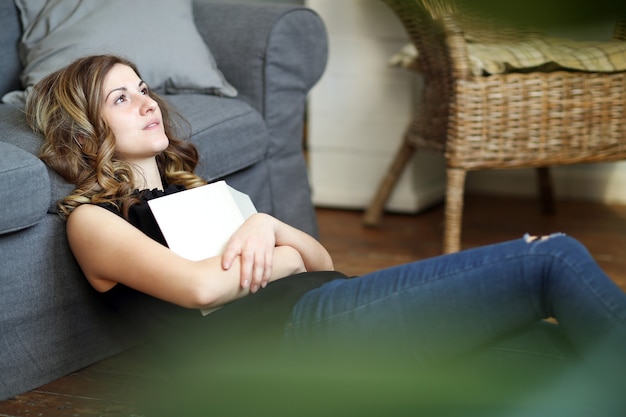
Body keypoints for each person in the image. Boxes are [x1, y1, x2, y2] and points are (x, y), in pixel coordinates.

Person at [26, 55, 626, 415]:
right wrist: (273, 251)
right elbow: (202, 289)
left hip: (334, 307)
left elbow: (319, 257)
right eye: (120, 97)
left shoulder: (200, 194)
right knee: (550, 261)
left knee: (555, 354)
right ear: (83, 129)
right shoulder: (94, 222)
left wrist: (270, 228)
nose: (146, 103)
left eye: (145, 89)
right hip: (293, 342)